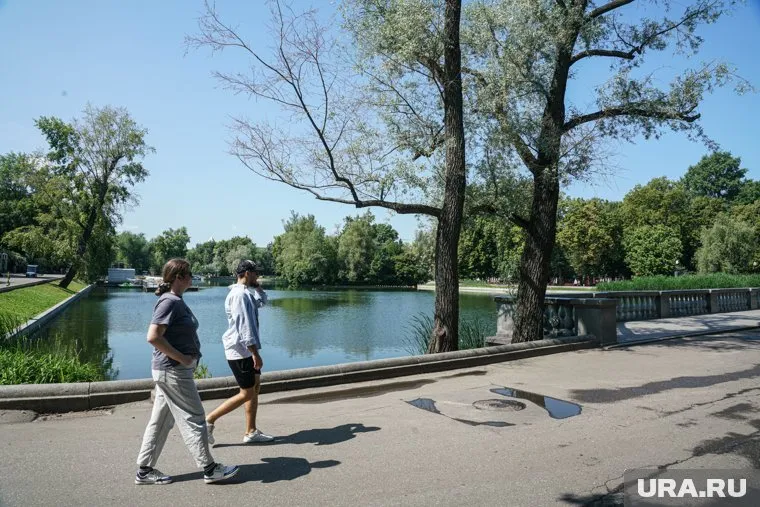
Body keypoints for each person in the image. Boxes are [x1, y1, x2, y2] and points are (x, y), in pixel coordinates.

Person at [135, 258, 239, 485]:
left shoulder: (175, 300)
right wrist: (182, 358)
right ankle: (210, 469)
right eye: (189, 274)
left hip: (169, 371)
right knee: (195, 418)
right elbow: (153, 337)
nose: (192, 277)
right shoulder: (169, 302)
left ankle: (144, 471)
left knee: (161, 421)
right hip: (173, 371)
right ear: (178, 277)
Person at [206, 259, 274, 445]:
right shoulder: (239, 296)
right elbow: (245, 327)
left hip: (246, 349)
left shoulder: (246, 294)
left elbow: (263, 301)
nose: (258, 275)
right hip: (240, 350)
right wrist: (255, 353)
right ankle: (209, 420)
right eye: (255, 273)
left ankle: (251, 431)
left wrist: (258, 287)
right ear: (247, 273)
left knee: (255, 388)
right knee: (247, 393)